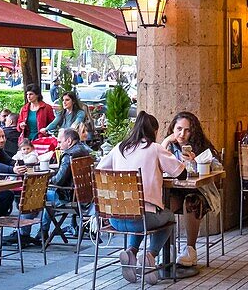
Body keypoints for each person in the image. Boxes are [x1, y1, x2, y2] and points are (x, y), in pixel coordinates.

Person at [97, 112, 186, 284]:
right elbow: (181, 173)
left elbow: (100, 171)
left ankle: (131, 252)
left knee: (138, 213)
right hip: (142, 219)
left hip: (115, 218)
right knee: (168, 216)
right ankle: (150, 255)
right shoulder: (154, 148)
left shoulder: (119, 148)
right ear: (153, 130)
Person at [162, 112, 221, 267]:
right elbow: (156, 165)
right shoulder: (167, 147)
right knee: (164, 203)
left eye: (187, 130)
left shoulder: (201, 147)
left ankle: (190, 250)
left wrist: (196, 161)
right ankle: (165, 250)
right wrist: (166, 141)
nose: (182, 134)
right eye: (179, 128)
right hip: (174, 191)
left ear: (193, 131)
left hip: (200, 193)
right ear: (172, 128)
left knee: (191, 202)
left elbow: (218, 167)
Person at [41, 128, 95, 237]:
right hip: (86, 195)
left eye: (60, 142)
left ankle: (42, 232)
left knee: (44, 194)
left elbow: (58, 181)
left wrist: (45, 181)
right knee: (49, 195)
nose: (58, 145)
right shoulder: (86, 150)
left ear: (69, 141)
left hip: (69, 197)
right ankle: (43, 232)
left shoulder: (68, 155)